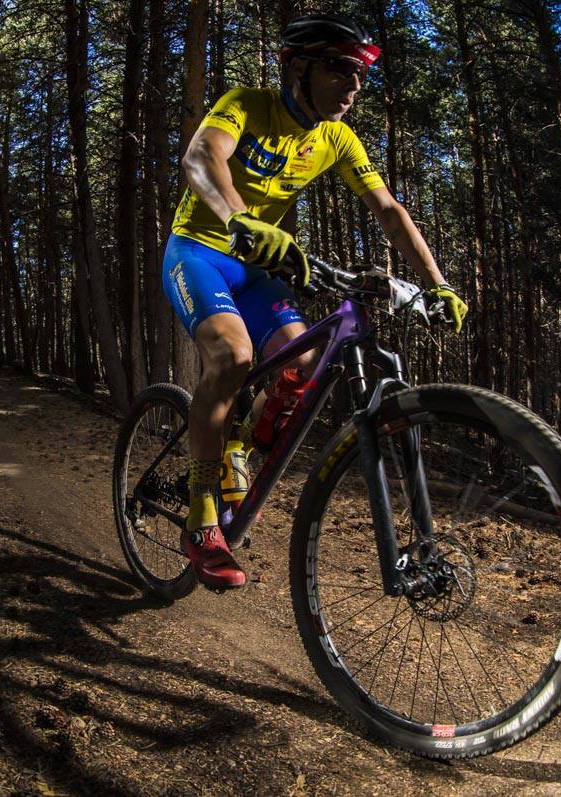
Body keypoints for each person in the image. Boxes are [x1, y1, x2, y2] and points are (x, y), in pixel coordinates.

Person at [161, 13, 468, 590]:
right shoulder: (247, 104)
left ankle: (236, 450)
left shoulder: (337, 139)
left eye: (359, 76)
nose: (353, 87)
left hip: (257, 265)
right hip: (199, 252)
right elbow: (201, 160)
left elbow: (390, 213)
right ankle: (201, 518)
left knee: (301, 364)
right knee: (233, 357)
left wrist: (437, 282)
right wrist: (242, 221)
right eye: (340, 70)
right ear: (298, 67)